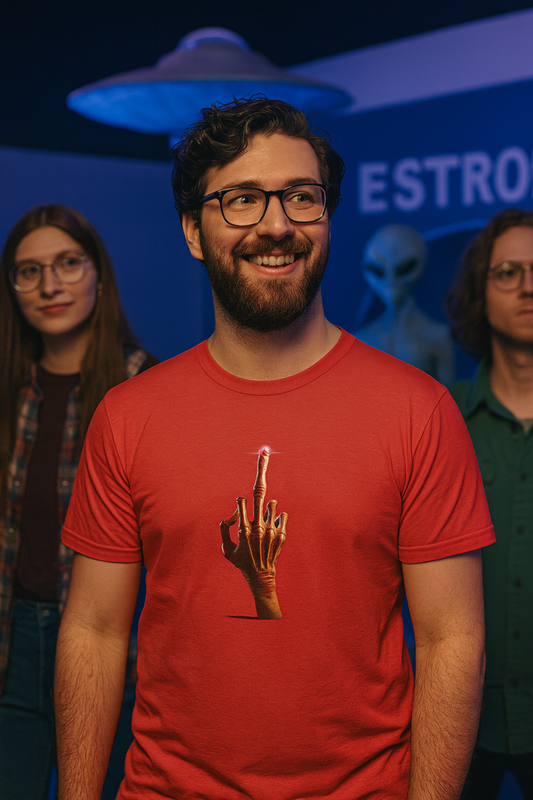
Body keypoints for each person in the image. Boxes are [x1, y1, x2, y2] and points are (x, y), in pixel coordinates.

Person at [55, 98, 495, 800]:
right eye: (241, 199)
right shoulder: (127, 417)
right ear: (193, 231)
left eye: (300, 196)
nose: (276, 224)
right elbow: (95, 630)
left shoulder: (420, 412)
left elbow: (452, 641)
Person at [0, 204, 157, 799]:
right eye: (29, 271)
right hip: (13, 642)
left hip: (116, 651)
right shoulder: (9, 386)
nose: (50, 286)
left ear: (98, 274)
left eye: (68, 263)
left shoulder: (145, 389)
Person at [446, 208, 533, 800]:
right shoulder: (440, 418)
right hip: (460, 718)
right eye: (508, 272)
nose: (528, 286)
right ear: (480, 290)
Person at [354, 223, 455, 385]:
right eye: (380, 270)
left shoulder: (437, 336)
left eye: (402, 268)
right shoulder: (360, 339)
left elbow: (448, 395)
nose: (391, 282)